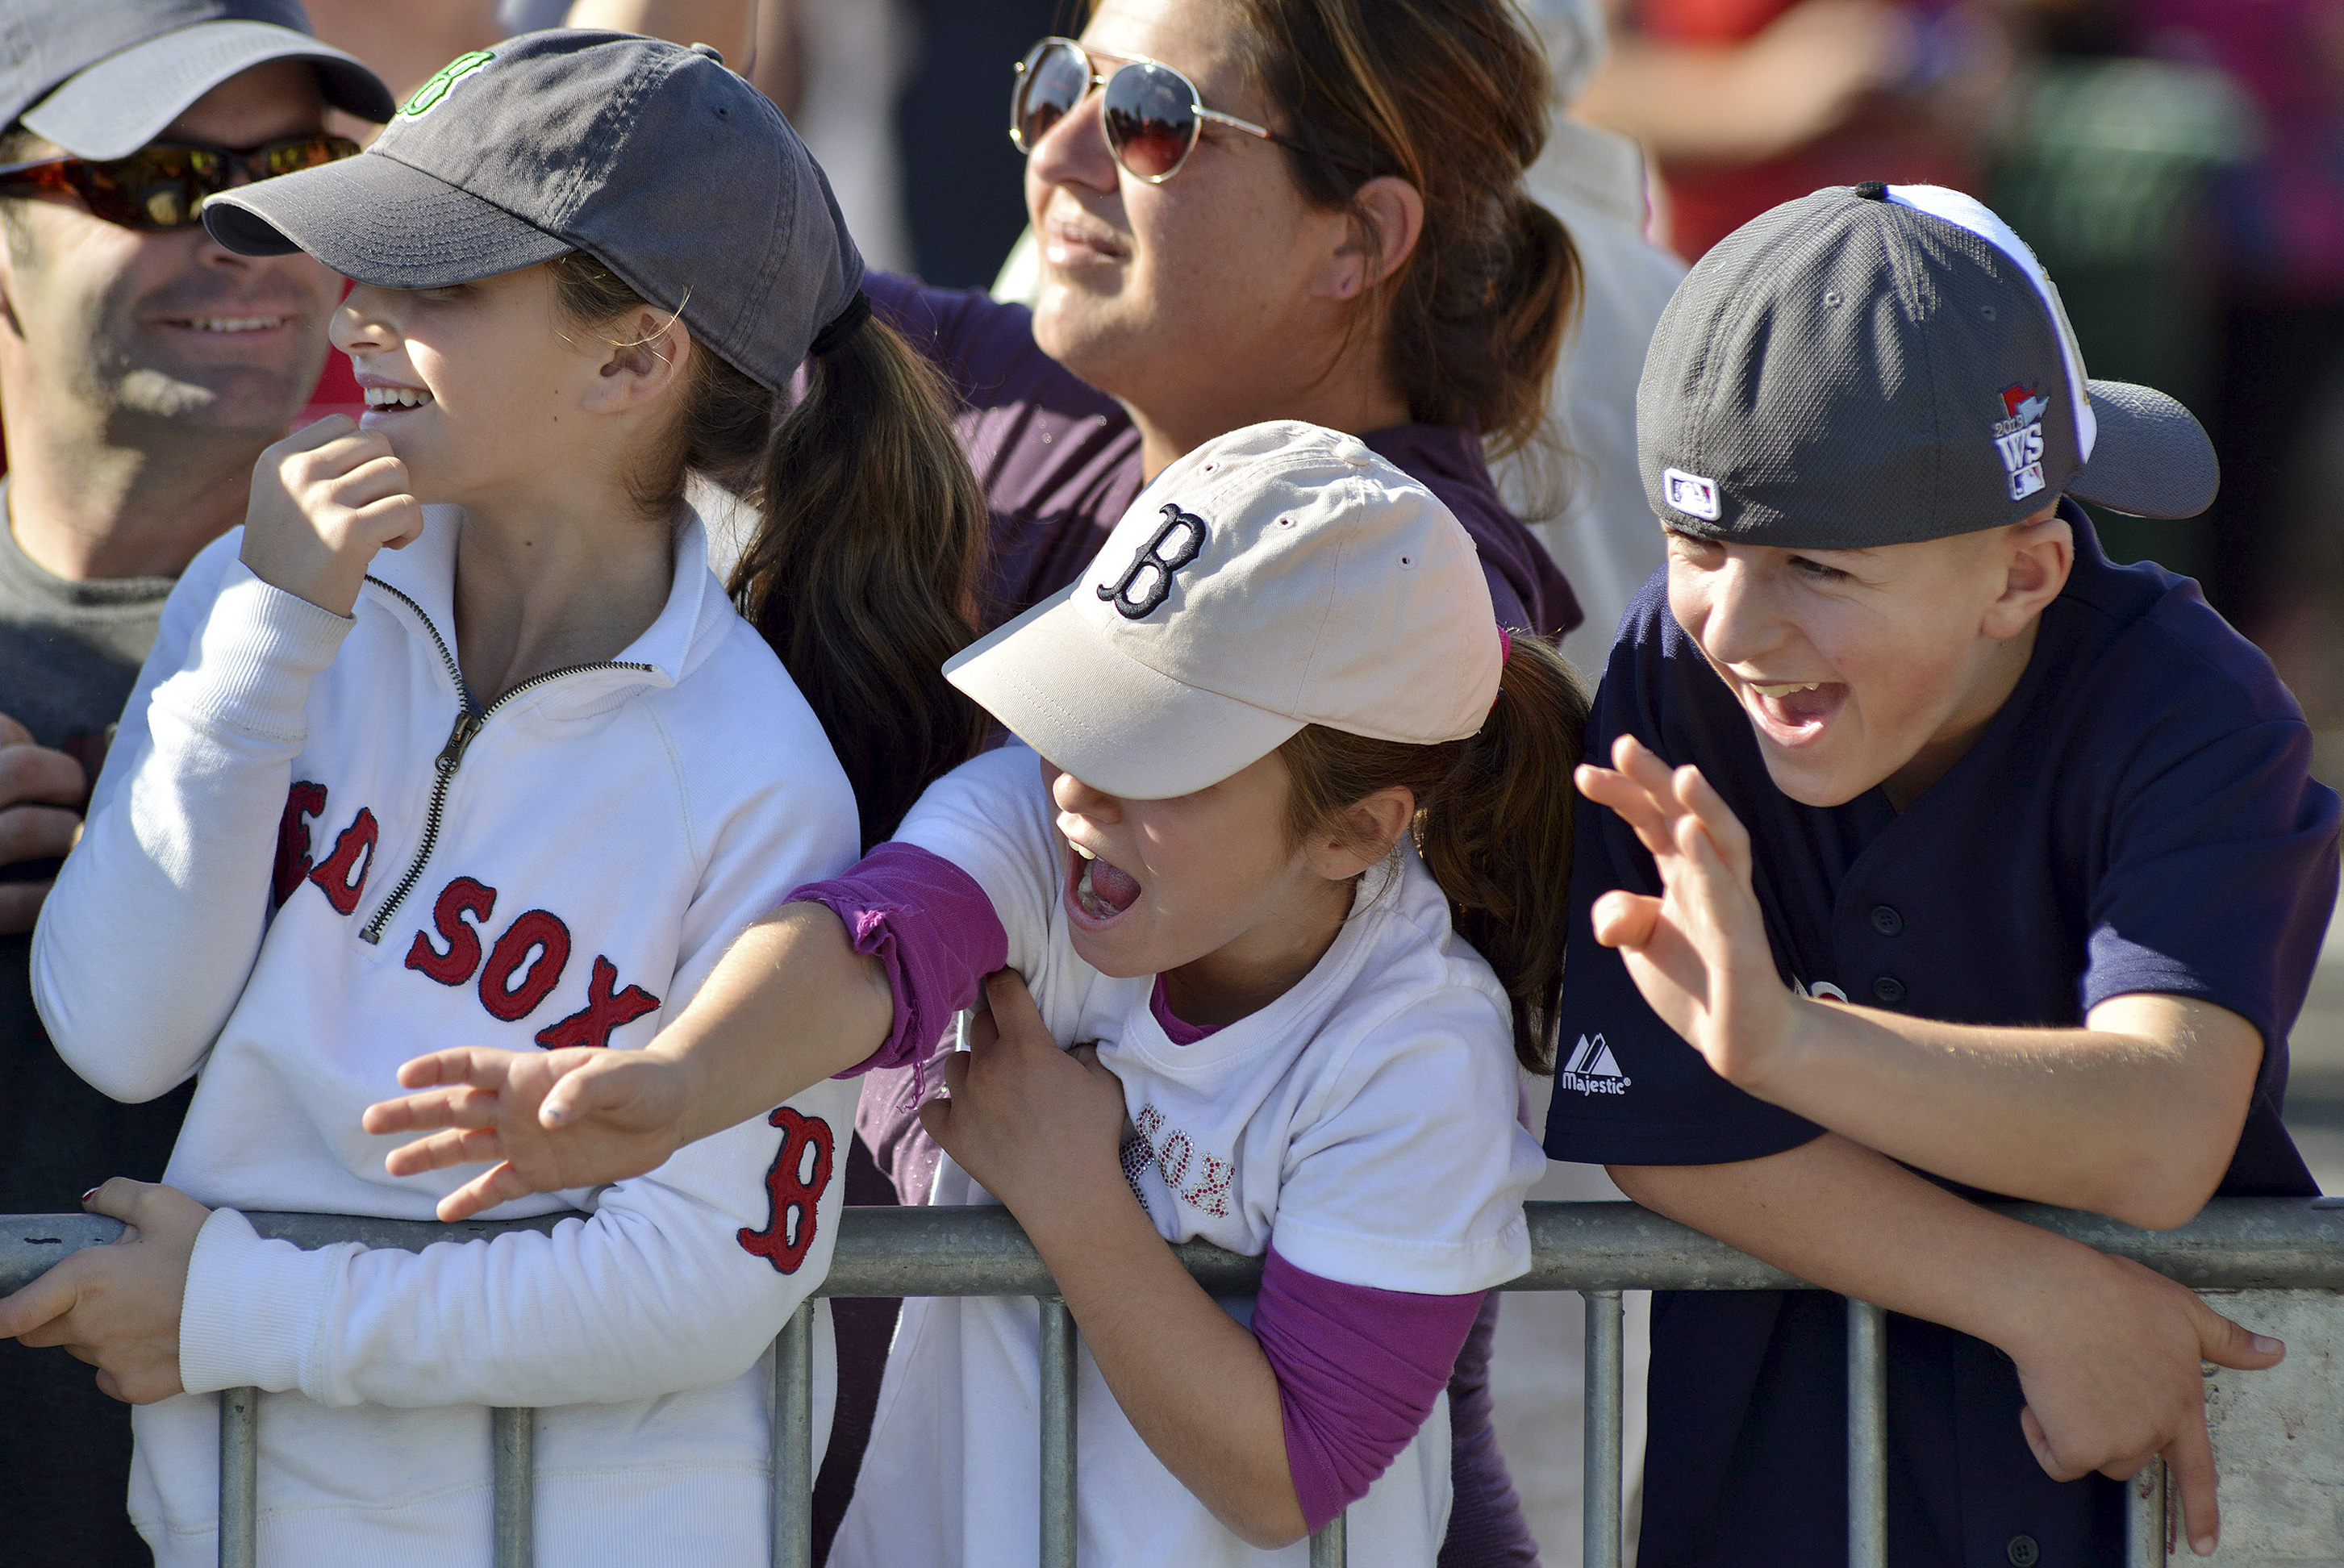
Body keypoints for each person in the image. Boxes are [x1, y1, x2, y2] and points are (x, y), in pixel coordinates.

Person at [5, 31, 986, 1565]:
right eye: (369, 264)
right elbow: (120, 1030)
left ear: (632, 358)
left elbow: (704, 1279)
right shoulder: (269, 590)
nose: (359, 313)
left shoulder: (762, 776)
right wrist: (268, 638)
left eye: (435, 285)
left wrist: (246, 1313)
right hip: (237, 1522)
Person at [364, 419, 1586, 1563]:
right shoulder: (1042, 828)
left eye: (1157, 752)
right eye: (1084, 714)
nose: (1078, 786)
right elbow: (871, 944)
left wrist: (1069, 1197)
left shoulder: (1417, 1053)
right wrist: (678, 1081)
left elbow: (1287, 1472)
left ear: (1356, 832)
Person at [1549, 181, 2340, 1565]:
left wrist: (1789, 1046)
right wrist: (2034, 1296)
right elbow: (1654, 1124)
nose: (1734, 624)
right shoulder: (1668, 674)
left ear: (2022, 576)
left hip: (2149, 1498)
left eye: (1814, 564)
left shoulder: (2190, 706)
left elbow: (2160, 1133)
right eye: (1696, 547)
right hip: (1776, 1498)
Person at [0, 5, 390, 1562]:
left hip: (280, 1513)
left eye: (289, 179)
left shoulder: (446, 627)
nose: (240, 243)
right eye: (157, 182)